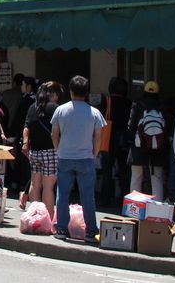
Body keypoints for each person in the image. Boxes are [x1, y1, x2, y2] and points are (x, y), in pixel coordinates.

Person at [51, 75, 105, 244]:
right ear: (86, 92)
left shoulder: (61, 110)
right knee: (87, 196)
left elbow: (54, 133)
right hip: (86, 158)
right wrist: (94, 153)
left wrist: (58, 149)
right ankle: (90, 231)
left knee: (63, 194)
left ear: (70, 91)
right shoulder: (95, 112)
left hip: (65, 156)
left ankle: (61, 228)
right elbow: (98, 137)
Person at [23, 81, 61, 218]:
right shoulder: (55, 108)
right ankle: (48, 219)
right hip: (50, 151)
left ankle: (34, 217)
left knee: (35, 183)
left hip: (34, 151)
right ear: (54, 95)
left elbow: (26, 127)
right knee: (48, 187)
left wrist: (25, 143)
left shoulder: (32, 108)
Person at [128, 80, 168, 201]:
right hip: (158, 147)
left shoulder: (138, 105)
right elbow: (167, 128)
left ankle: (134, 208)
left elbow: (131, 126)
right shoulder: (162, 107)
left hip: (139, 146)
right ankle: (157, 209)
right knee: (157, 178)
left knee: (136, 177)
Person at [99, 76, 133, 206]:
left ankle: (105, 200)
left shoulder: (107, 101)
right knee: (124, 172)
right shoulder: (129, 103)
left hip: (108, 139)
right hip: (123, 140)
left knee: (107, 172)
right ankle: (124, 200)